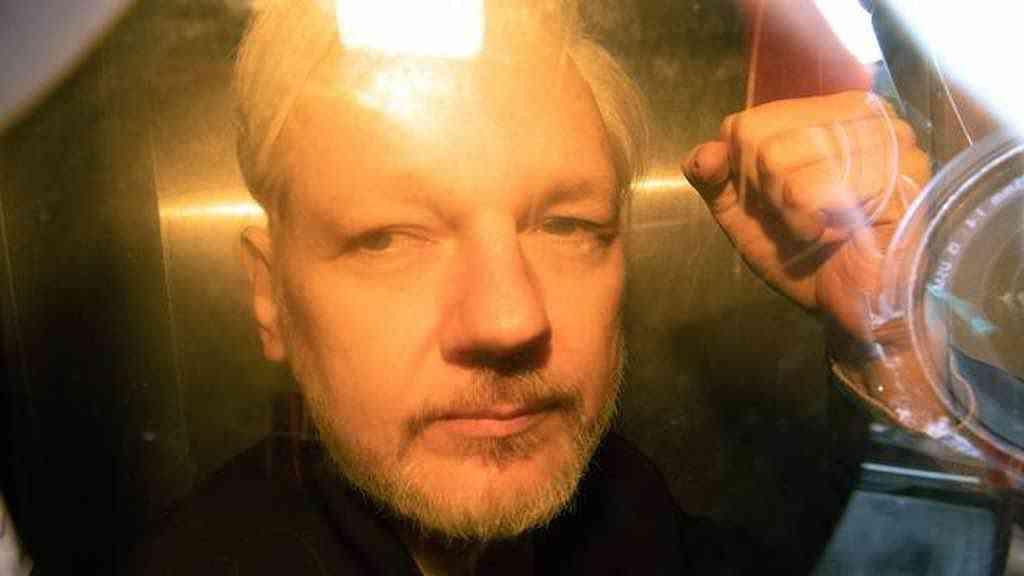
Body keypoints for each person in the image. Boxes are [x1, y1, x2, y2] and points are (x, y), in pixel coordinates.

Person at [127, 0, 932, 573]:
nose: (510, 320)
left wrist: (897, 338)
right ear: (270, 297)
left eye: (567, 225)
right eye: (387, 237)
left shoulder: (671, 544)